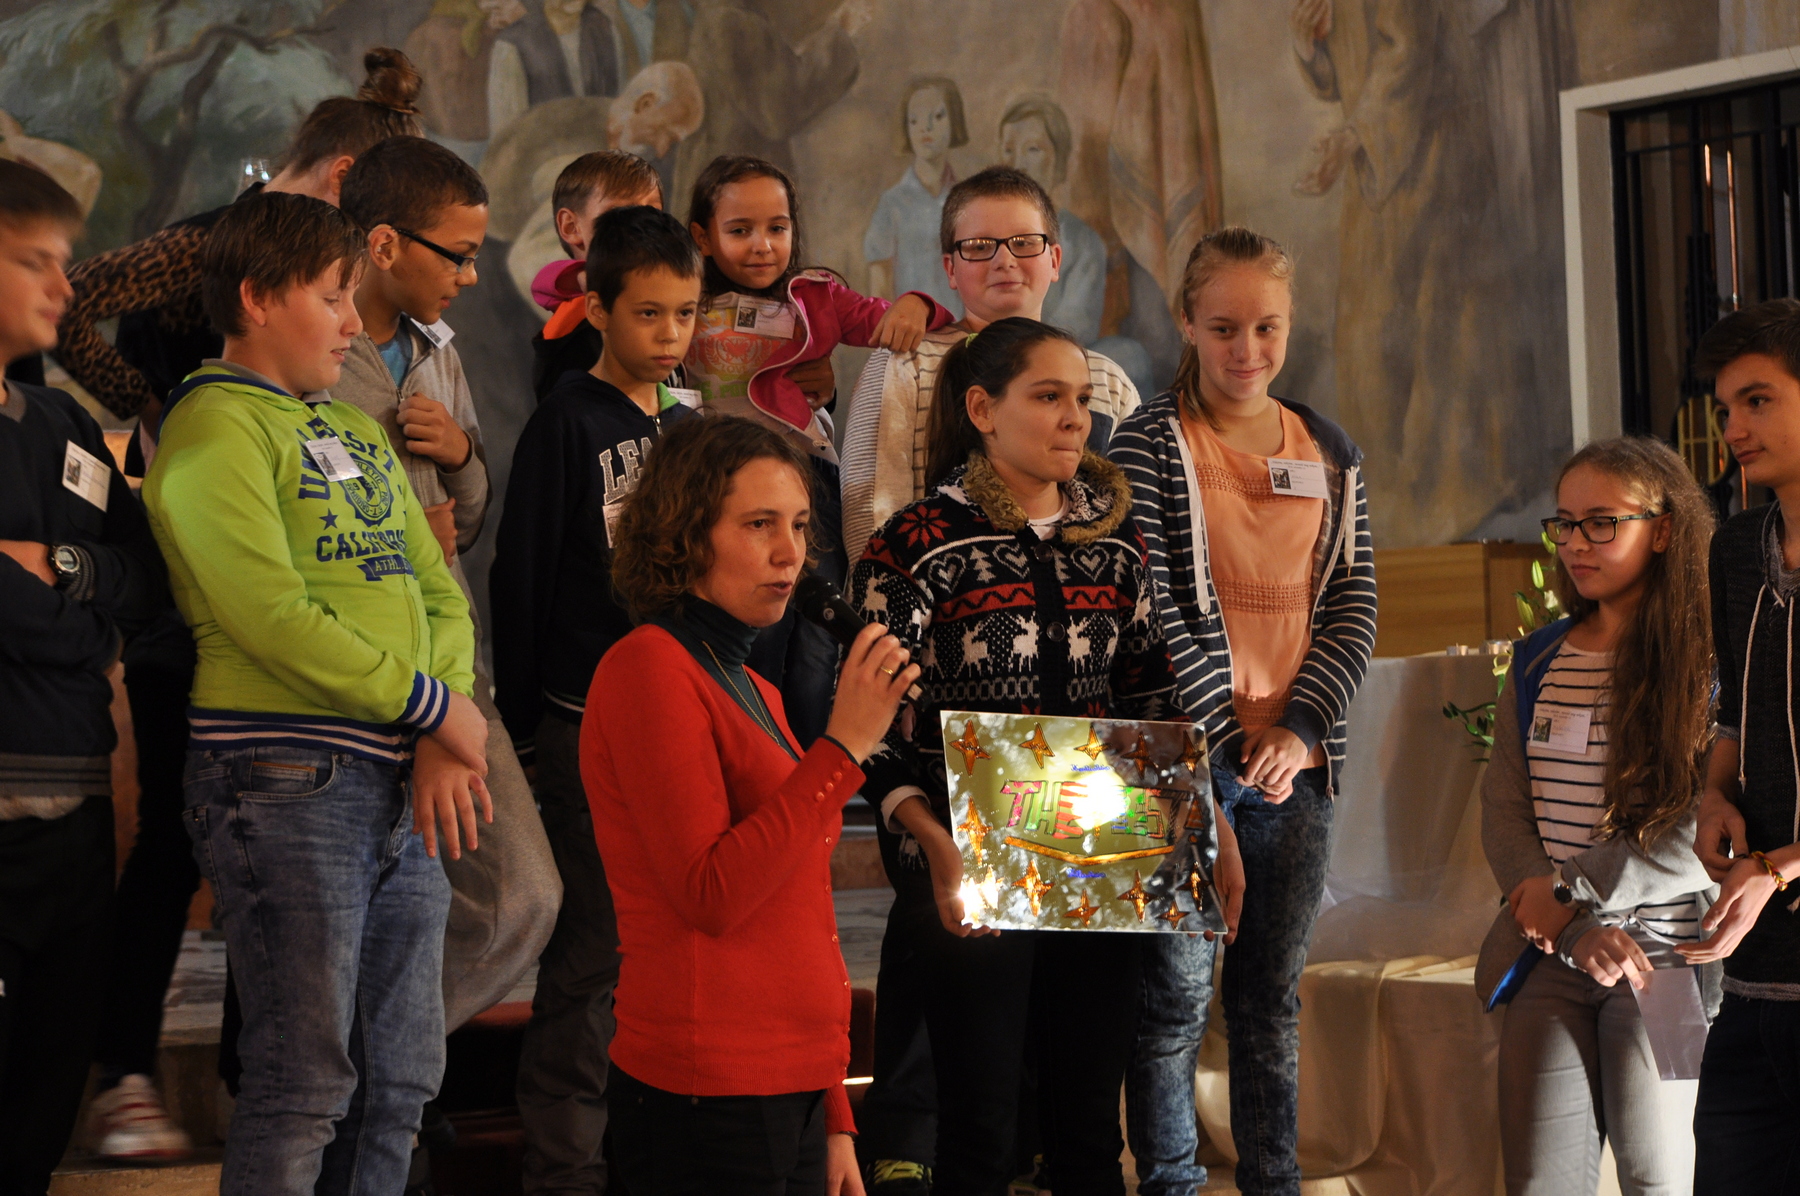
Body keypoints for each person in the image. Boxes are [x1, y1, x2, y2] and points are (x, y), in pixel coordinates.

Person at [55, 49, 426, 1162]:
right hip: (215, 599)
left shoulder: (328, 301)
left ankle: (247, 1074)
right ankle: (126, 1070)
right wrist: (157, 404)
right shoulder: (229, 242)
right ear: (347, 177)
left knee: (303, 943)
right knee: (182, 845)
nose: (357, 293)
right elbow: (74, 302)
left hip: (327, 640)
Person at [143, 191, 488, 1196]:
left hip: (404, 771)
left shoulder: (353, 429)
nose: (351, 322)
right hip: (287, 775)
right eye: (333, 297)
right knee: (304, 1081)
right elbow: (272, 615)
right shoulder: (213, 425)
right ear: (256, 298)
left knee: (401, 1080)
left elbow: (438, 588)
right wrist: (433, 707)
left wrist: (441, 725)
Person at [849, 316, 1217, 1195]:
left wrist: (1215, 836)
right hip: (965, 864)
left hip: (1098, 859)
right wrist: (936, 845)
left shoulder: (1113, 543)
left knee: (1089, 1129)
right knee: (981, 1128)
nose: (1074, 417)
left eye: (1081, 398)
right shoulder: (914, 544)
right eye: (1047, 396)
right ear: (983, 409)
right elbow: (873, 728)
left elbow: (1151, 702)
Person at [1110, 227, 1376, 1196]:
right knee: (1172, 1004)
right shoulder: (1147, 441)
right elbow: (1153, 608)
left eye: (1267, 327)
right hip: (1181, 760)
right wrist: (1220, 752)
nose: (1247, 349)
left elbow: (1353, 599)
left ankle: (1275, 1182)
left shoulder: (1329, 449)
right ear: (1187, 322)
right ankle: (1172, 1183)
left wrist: (1300, 730)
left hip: (1294, 767)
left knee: (1269, 1000)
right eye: (1223, 327)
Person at [586, 412, 914, 1194]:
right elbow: (711, 893)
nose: (791, 552)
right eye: (759, 524)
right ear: (686, 535)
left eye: (799, 525)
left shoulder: (754, 686)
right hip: (708, 1090)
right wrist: (843, 749)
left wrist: (833, 1110)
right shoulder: (649, 669)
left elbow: (799, 906)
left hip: (791, 1083)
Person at [489, 202, 701, 1196]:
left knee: (670, 945)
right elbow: (523, 577)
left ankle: (655, 1152)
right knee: (593, 951)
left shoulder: (689, 423)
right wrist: (529, 730)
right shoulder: (567, 423)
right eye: (648, 314)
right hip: (586, 722)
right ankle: (566, 1168)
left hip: (684, 721)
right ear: (598, 308)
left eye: (684, 314)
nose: (668, 335)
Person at [334, 136, 560, 1038]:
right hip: (352, 667)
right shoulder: (320, 349)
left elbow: (462, 524)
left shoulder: (438, 351)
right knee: (351, 904)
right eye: (457, 255)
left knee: (523, 894)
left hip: (449, 656)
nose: (471, 275)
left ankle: (382, 1057)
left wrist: (462, 456)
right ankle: (350, 1077)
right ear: (385, 245)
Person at [1477, 437, 1718, 1195]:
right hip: (1551, 954)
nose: (1576, 543)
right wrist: (1569, 926)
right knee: (1539, 1181)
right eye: (1565, 524)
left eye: (1602, 523)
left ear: (1665, 528)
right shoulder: (1538, 658)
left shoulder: (1708, 661)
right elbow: (1504, 808)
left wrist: (1571, 891)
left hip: (1669, 962)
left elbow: (1703, 827)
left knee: (1662, 1177)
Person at [0, 160, 166, 1196]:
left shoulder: (61, 424)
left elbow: (146, 578)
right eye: (35, 261)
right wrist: (83, 617)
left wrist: (59, 567)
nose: (66, 287)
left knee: (43, 1103)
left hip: (76, 808)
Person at [684, 153, 954, 744]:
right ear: (702, 238)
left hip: (807, 484)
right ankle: (760, 762)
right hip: (723, 491)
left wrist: (917, 304)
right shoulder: (688, 302)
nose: (763, 245)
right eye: (740, 230)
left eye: (777, 228)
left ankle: (810, 763)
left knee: (815, 642)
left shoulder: (813, 297)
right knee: (749, 638)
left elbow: (895, 320)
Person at [839, 166, 1141, 567]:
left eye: (1024, 243)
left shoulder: (1108, 381)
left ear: (1055, 260)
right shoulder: (906, 363)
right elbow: (869, 509)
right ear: (950, 268)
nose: (1004, 260)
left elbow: (1130, 515)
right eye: (980, 246)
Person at [1680, 298, 1800, 1193]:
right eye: (1726, 408)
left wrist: (1779, 868)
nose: (1734, 430)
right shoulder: (1733, 549)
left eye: (1758, 400)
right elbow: (1733, 710)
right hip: (1755, 972)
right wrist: (1715, 793)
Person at [528, 149, 664, 399]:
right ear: (571, 227)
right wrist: (584, 276)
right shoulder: (581, 296)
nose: (643, 225)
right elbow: (543, 284)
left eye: (653, 212)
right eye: (621, 215)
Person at [864, 76, 966, 317]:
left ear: (954, 122)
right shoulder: (892, 205)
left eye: (937, 117)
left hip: (962, 332)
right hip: (910, 332)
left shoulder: (968, 201)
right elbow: (880, 289)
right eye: (914, 120)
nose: (925, 128)